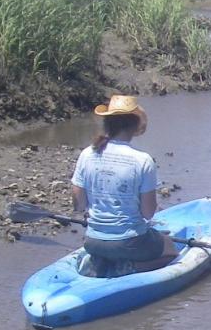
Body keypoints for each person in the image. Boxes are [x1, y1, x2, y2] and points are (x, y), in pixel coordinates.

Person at [71, 94, 175, 274]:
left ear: (107, 123)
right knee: (171, 251)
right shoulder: (142, 161)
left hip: (92, 242)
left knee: (121, 244)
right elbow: (148, 213)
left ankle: (101, 263)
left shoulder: (87, 154)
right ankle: (130, 267)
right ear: (135, 126)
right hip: (128, 242)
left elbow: (78, 204)